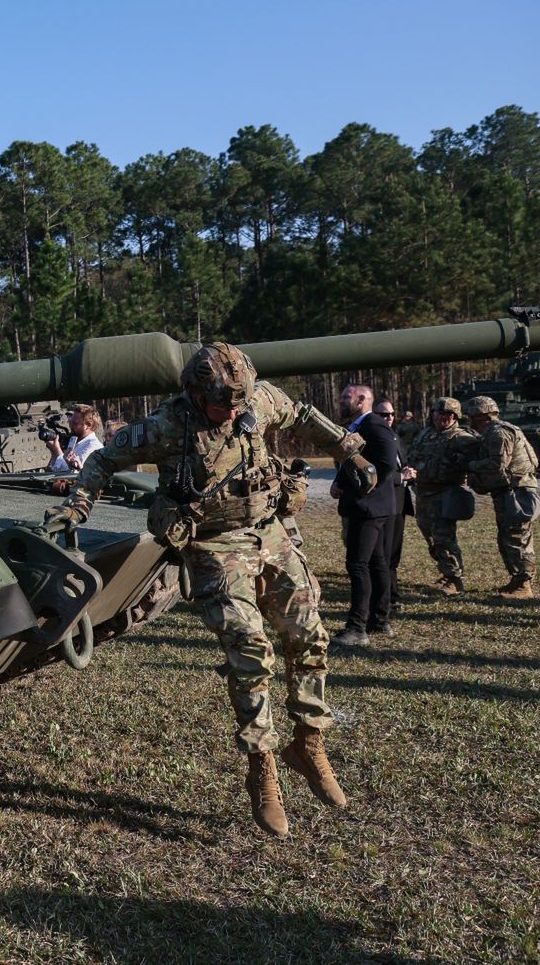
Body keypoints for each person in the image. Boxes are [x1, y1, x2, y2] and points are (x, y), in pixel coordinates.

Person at [44, 342, 371, 837]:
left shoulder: (256, 400)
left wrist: (348, 449)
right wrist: (79, 505)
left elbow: (302, 415)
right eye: (223, 405)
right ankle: (262, 766)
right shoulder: (166, 426)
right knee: (250, 648)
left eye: (240, 403)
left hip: (270, 532)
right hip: (214, 544)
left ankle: (308, 743)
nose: (234, 412)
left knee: (309, 636)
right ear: (196, 395)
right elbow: (104, 460)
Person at [333, 384, 401, 646]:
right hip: (371, 506)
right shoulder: (359, 426)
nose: (341, 400)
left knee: (358, 565)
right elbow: (352, 461)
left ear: (361, 399)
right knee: (376, 562)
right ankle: (380, 621)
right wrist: (339, 481)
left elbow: (386, 463)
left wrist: (362, 488)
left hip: (368, 507)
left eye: (345, 397)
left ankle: (357, 628)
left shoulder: (374, 425)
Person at [463, 395, 538, 599]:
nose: (468, 420)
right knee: (507, 536)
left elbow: (497, 464)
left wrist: (471, 465)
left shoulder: (498, 433)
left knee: (517, 537)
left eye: (471, 416)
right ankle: (517, 580)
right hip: (510, 491)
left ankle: (524, 585)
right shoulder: (494, 432)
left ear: (481, 416)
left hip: (517, 492)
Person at [403, 397, 477, 595]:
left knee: (444, 537)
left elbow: (474, 464)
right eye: (439, 413)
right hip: (423, 494)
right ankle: (446, 572)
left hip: (445, 495)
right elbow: (413, 454)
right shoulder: (425, 434)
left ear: (456, 416)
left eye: (448, 414)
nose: (442, 417)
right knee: (430, 537)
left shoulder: (463, 438)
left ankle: (455, 579)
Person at [372, 398, 410, 623]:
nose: (389, 418)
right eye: (384, 414)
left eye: (392, 414)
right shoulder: (371, 438)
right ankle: (385, 599)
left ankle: (392, 595)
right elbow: (374, 473)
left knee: (393, 555)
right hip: (384, 504)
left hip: (399, 503)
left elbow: (398, 465)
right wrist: (400, 476)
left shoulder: (394, 437)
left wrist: (408, 473)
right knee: (382, 557)